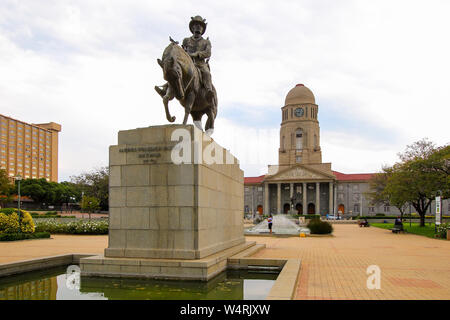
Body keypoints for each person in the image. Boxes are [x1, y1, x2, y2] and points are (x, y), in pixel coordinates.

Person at [155, 16, 214, 104]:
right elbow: (183, 51)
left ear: (202, 28)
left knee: (206, 73)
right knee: (175, 71)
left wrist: (197, 54)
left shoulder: (206, 42)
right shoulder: (186, 41)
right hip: (188, 63)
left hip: (200, 64)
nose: (198, 27)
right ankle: (166, 88)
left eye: (200, 25)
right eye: (196, 25)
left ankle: (209, 91)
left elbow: (208, 53)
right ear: (192, 27)